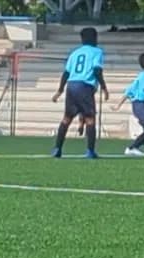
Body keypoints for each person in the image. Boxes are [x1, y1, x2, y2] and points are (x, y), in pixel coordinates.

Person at [51, 27, 109, 159]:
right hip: (85, 86)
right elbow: (96, 71)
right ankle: (90, 151)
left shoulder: (75, 53)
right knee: (90, 119)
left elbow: (66, 73)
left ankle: (57, 148)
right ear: (95, 38)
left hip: (71, 85)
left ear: (82, 39)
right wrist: (104, 88)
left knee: (67, 118)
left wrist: (60, 90)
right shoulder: (97, 52)